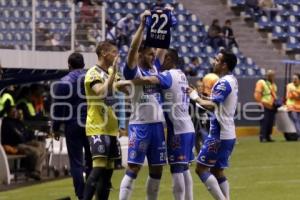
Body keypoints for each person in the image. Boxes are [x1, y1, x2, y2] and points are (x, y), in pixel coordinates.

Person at [125, 49, 195, 200]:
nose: (158, 59)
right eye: (152, 54)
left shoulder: (168, 75)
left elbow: (149, 80)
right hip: (187, 126)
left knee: (177, 169)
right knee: (184, 168)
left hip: (177, 129)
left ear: (168, 59)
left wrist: (126, 82)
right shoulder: (182, 74)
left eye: (162, 57)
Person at [119, 10, 168, 200]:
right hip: (140, 125)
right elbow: (132, 49)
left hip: (157, 125)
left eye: (153, 54)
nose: (153, 57)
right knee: (134, 167)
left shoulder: (154, 68)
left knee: (157, 170)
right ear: (141, 54)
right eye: (149, 54)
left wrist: (166, 26)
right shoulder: (132, 70)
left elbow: (163, 48)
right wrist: (141, 26)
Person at [189, 49, 238, 200]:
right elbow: (215, 105)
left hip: (219, 135)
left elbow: (212, 105)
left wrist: (195, 96)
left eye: (217, 60)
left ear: (224, 65)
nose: (214, 62)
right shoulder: (232, 80)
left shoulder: (223, 82)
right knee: (217, 171)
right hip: (228, 134)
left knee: (201, 169)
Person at [83, 41, 126, 200]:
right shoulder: (93, 73)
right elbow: (101, 92)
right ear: (103, 53)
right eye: (114, 52)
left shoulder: (112, 72)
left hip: (111, 127)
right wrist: (113, 73)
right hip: (97, 127)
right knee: (98, 170)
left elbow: (124, 88)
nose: (116, 56)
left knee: (108, 174)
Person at [52, 52, 93, 200]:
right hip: (90, 123)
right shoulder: (91, 77)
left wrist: (55, 128)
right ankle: (90, 193)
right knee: (91, 160)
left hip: (72, 124)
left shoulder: (64, 81)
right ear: (83, 65)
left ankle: (81, 195)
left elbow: (58, 107)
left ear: (69, 65)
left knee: (76, 162)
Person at [1, 106, 46, 180]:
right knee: (36, 152)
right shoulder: (7, 123)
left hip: (25, 142)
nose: (15, 113)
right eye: (13, 111)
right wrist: (26, 139)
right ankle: (34, 171)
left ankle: (36, 171)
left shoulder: (18, 121)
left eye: (16, 111)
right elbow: (17, 136)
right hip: (15, 144)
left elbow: (26, 132)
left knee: (42, 146)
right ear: (8, 113)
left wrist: (31, 137)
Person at [254, 69, 278, 142]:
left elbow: (273, 94)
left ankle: (268, 136)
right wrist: (259, 102)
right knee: (265, 121)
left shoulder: (272, 84)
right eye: (271, 75)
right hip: (264, 104)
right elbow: (257, 93)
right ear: (267, 75)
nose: (273, 77)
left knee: (271, 122)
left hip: (272, 105)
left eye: (273, 75)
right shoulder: (261, 82)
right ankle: (263, 137)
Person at [286, 73, 300, 139]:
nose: (294, 80)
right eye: (293, 78)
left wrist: (294, 92)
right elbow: (289, 96)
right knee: (295, 120)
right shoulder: (289, 86)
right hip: (291, 107)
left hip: (299, 107)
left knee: (297, 121)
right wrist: (297, 94)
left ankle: (296, 135)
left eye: (296, 79)